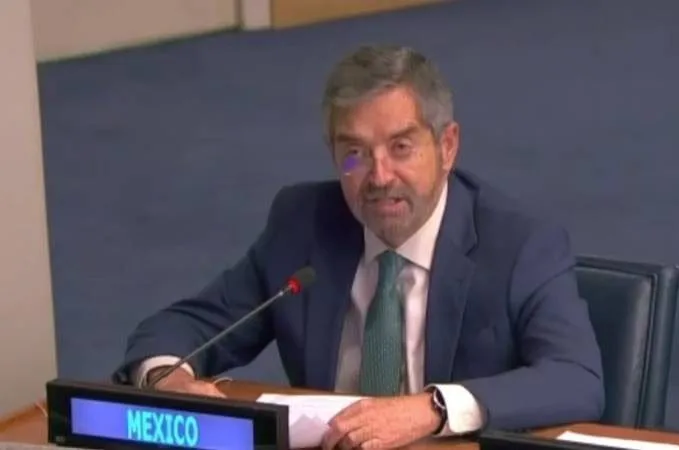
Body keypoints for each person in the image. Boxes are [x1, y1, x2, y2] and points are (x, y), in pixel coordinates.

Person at [113, 44, 604, 449]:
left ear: (447, 146)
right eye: (354, 154)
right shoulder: (303, 224)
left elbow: (575, 378)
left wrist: (431, 408)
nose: (379, 176)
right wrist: (168, 379)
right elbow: (181, 327)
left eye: (401, 147)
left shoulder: (519, 243)